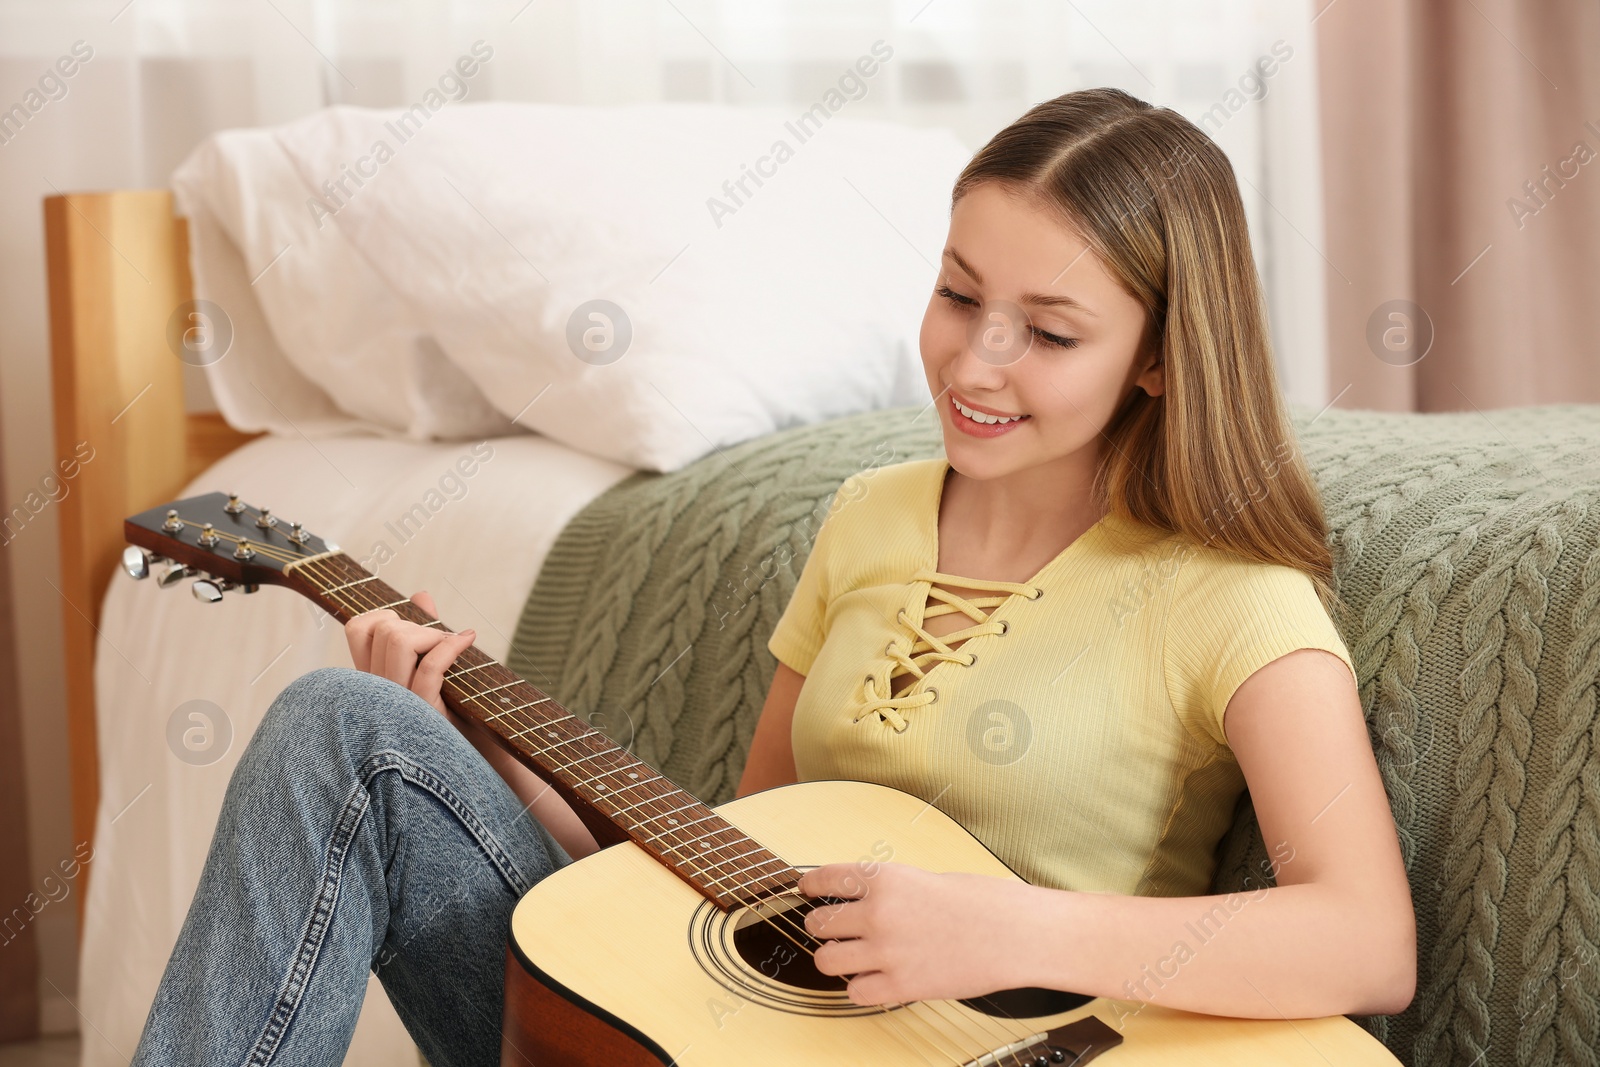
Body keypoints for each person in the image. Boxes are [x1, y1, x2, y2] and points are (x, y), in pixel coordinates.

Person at [130, 87, 1414, 1067]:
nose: (975, 363)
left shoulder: (1227, 593)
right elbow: (722, 874)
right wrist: (489, 747)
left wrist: (1010, 929)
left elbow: (1367, 939)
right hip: (723, 1035)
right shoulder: (868, 517)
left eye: (1050, 333)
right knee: (346, 728)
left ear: (1155, 356)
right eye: (958, 294)